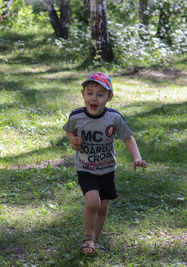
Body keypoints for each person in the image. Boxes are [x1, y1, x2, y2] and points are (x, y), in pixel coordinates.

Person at [63, 72, 147, 256]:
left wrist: (137, 157)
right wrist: (74, 141)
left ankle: (96, 238)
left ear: (109, 97)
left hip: (107, 168)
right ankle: (87, 237)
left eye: (100, 95)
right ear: (83, 94)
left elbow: (127, 138)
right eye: (90, 93)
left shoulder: (114, 117)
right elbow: (69, 130)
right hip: (86, 168)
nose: (94, 98)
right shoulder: (77, 116)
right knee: (93, 201)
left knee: (103, 207)